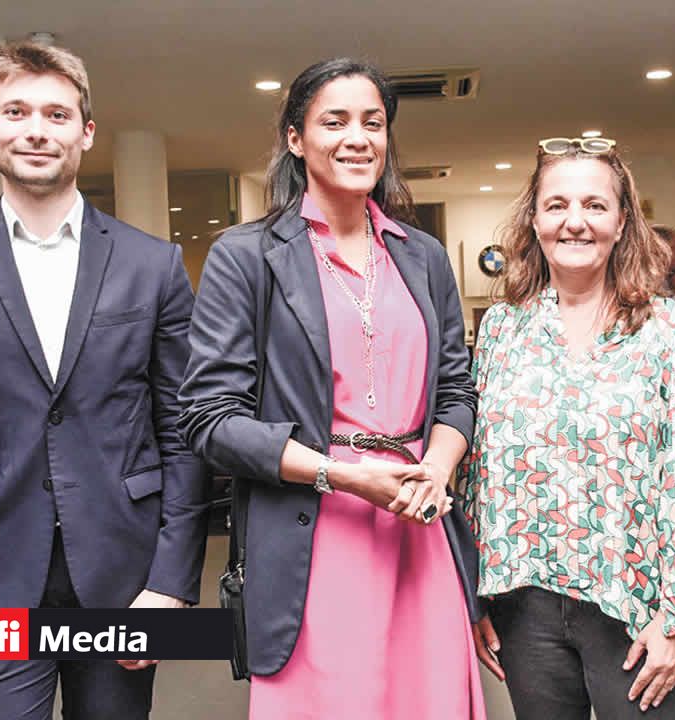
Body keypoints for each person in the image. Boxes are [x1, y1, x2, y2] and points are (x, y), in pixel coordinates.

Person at [0, 41, 207, 720]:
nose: (36, 129)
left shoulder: (153, 267)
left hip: (123, 580)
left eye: (57, 114)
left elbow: (184, 436)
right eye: (17, 111)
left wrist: (170, 583)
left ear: (86, 132)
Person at [177, 58, 484, 719]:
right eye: (334, 121)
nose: (357, 137)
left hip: (419, 528)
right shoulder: (247, 255)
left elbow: (457, 386)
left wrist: (436, 466)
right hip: (315, 533)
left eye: (372, 122)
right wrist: (344, 476)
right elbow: (208, 420)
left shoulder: (421, 255)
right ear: (296, 139)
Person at [464, 136, 675, 719]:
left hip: (636, 607)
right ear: (533, 219)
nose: (575, 222)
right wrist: (473, 592)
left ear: (621, 220)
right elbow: (477, 473)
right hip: (523, 606)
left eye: (594, 205)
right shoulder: (504, 329)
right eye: (556, 205)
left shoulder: (666, 331)